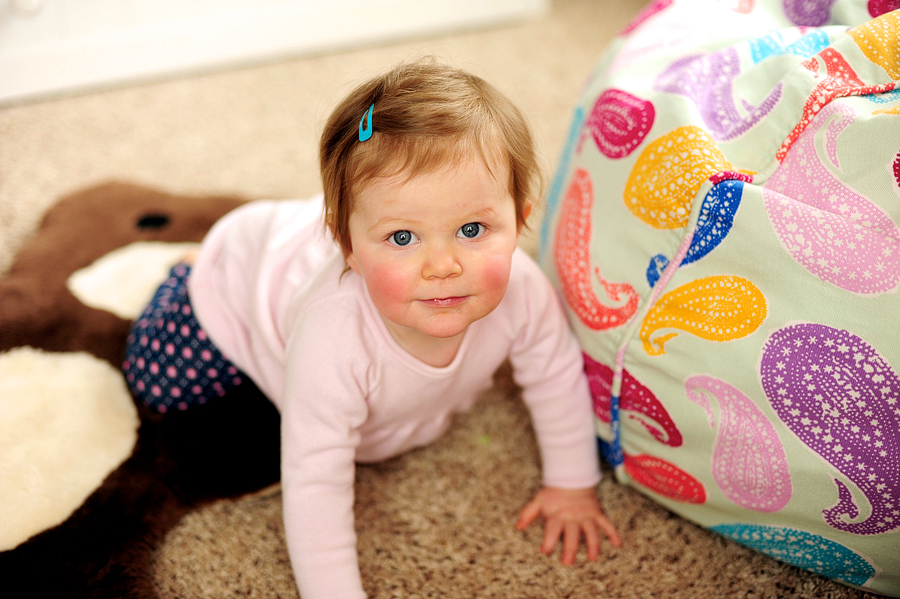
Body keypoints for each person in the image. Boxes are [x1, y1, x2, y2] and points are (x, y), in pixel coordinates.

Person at [122, 58, 621, 598]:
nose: (442, 265)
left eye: (472, 229)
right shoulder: (333, 332)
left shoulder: (521, 290)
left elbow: (555, 373)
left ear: (521, 221)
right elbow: (314, 477)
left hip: (329, 239)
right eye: (404, 238)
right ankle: (189, 268)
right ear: (349, 249)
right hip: (242, 278)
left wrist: (571, 485)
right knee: (158, 383)